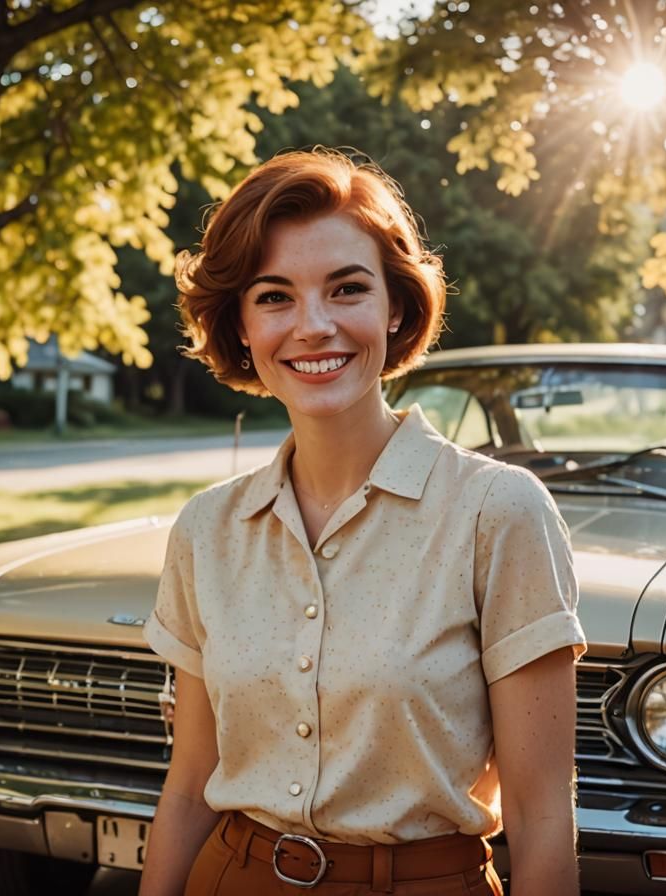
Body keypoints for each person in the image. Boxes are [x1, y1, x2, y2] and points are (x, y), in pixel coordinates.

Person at [140, 148, 587, 896]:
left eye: (347, 289)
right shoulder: (205, 530)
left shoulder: (497, 513)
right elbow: (189, 787)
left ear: (397, 307)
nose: (313, 327)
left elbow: (543, 817)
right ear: (241, 325)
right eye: (274, 297)